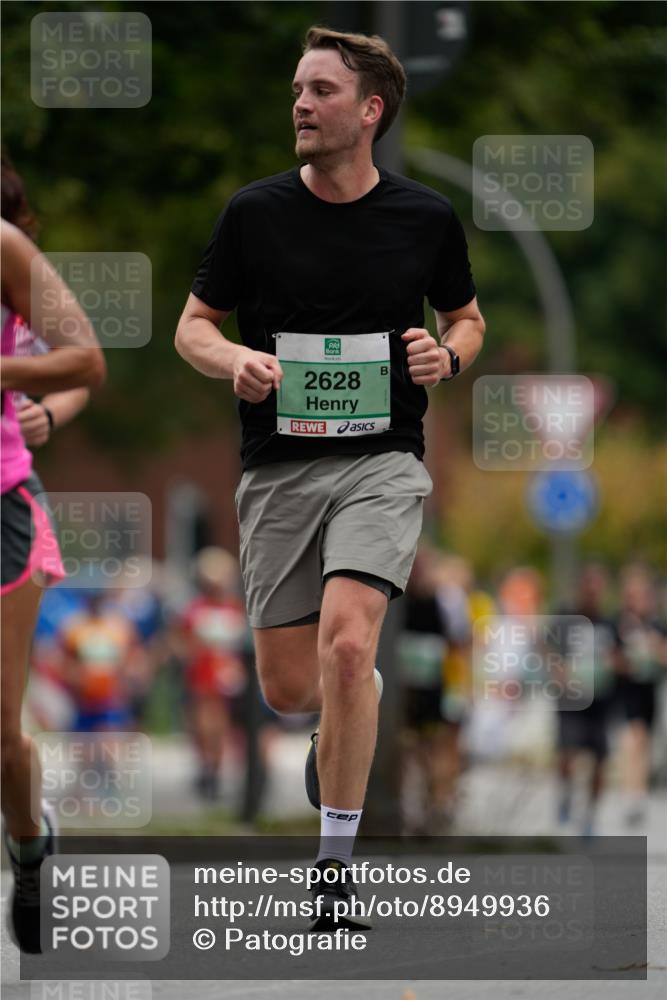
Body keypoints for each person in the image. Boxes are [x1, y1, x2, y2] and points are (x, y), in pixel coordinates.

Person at [175, 26, 484, 928]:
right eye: (297, 92)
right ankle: (339, 713)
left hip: (382, 460)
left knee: (350, 644)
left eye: (319, 92)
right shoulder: (253, 214)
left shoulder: (424, 217)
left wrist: (447, 357)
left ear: (369, 110)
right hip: (278, 468)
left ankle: (334, 870)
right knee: (287, 687)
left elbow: (466, 319)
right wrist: (229, 358)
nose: (301, 106)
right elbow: (193, 325)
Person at [1, 199, 105, 950]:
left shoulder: (7, 254)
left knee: (3, 737)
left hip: (3, 502)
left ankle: (29, 849)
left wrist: (45, 409)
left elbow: (82, 366)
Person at [613, 562, 667, 826]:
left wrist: (655, 648)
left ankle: (639, 792)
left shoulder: (656, 625)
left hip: (649, 689)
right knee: (632, 737)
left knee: (645, 740)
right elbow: (609, 658)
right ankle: (630, 793)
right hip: (626, 689)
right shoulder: (619, 624)